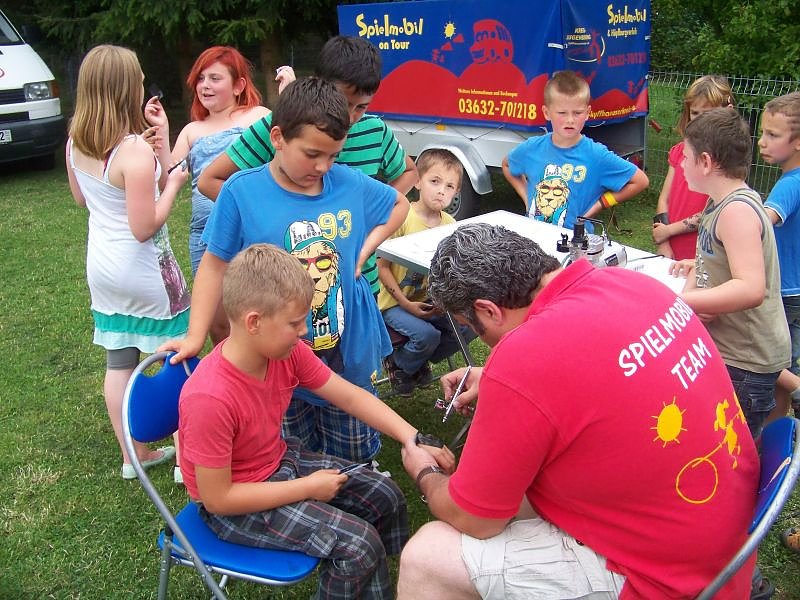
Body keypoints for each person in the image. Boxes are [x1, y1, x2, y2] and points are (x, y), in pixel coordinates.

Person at [397, 223, 758, 599]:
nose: (482, 341)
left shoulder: (526, 357)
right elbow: (602, 363)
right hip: (725, 539)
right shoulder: (629, 283)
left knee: (427, 557)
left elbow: (476, 519)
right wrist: (501, 382)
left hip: (668, 580)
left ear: (487, 310)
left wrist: (427, 474)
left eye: (469, 327)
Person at [179, 243, 454, 599]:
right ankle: (362, 572)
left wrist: (411, 437)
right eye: (294, 323)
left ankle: (376, 586)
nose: (305, 331)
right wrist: (307, 489)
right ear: (254, 322)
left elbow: (350, 395)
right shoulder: (210, 397)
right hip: (235, 508)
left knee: (385, 494)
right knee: (358, 545)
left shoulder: (285, 352)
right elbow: (219, 499)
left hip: (278, 464)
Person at [161, 77, 409, 464]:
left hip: (346, 359)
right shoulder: (241, 192)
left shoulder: (348, 184)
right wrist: (195, 336)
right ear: (278, 137)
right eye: (312, 154)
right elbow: (213, 266)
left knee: (355, 457)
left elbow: (398, 204)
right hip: (276, 367)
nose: (324, 166)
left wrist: (364, 250)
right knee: (291, 457)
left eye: (334, 155)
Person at [198, 35, 418, 301]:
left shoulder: (375, 131)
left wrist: (368, 216)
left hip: (356, 282)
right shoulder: (284, 124)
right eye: (343, 102)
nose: (350, 116)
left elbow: (409, 173)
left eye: (361, 107)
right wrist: (273, 219)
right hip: (290, 287)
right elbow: (210, 179)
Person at [65, 45, 190, 480]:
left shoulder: (75, 142)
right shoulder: (132, 151)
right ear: (125, 89)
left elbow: (83, 199)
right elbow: (145, 226)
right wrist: (172, 183)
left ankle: (132, 455)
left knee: (119, 361)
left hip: (102, 267)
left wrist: (161, 144)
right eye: (138, 79)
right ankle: (185, 457)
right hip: (147, 271)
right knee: (175, 356)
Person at [671, 107, 791, 439]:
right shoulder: (717, 202)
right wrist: (693, 291)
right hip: (729, 350)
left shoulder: (736, 210)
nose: (680, 163)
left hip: (744, 362)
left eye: (686, 156)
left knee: (729, 448)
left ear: (706, 162)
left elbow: (751, 287)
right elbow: (712, 260)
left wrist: (682, 303)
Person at [145, 46, 270, 346]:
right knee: (216, 322)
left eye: (215, 78)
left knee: (260, 313)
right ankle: (230, 384)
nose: (205, 86)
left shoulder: (259, 117)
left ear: (239, 85)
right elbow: (169, 178)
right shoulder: (192, 130)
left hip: (252, 228)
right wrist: (162, 133)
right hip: (206, 235)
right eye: (201, 79)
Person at [377, 149, 474, 396]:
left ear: (456, 193)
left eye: (450, 186)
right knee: (427, 335)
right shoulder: (402, 216)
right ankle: (399, 366)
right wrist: (405, 304)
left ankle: (416, 363)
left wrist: (445, 302)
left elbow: (450, 270)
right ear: (418, 181)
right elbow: (382, 267)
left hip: (429, 301)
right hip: (393, 302)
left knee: (470, 327)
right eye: (435, 181)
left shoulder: (450, 225)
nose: (441, 190)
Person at [501, 70, 648, 229]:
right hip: (534, 236)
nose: (570, 120)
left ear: (587, 113)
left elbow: (640, 181)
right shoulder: (532, 148)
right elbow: (507, 165)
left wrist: (600, 204)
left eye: (577, 113)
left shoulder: (596, 155)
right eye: (562, 113)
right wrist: (527, 197)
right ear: (547, 113)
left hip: (575, 243)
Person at [652, 75, 736, 259]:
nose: (700, 121)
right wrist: (664, 242)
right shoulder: (679, 151)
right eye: (695, 113)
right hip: (672, 249)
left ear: (727, 112)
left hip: (705, 253)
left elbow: (717, 210)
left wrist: (669, 230)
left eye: (708, 114)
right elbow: (664, 199)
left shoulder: (727, 160)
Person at [758, 91, 800, 421]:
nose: (762, 142)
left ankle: (775, 429)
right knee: (787, 357)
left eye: (772, 135)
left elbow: (762, 223)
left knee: (771, 361)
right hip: (796, 287)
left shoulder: (788, 185)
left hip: (783, 291)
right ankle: (784, 427)